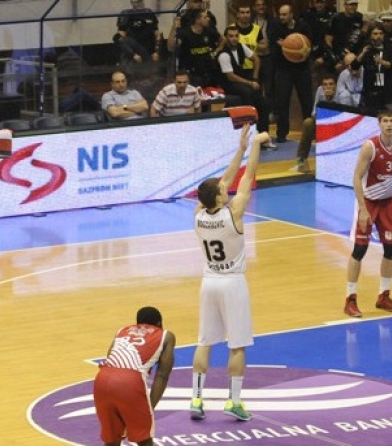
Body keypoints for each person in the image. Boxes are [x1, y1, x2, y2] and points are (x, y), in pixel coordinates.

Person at [190, 125, 268, 422]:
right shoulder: (233, 213)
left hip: (208, 281)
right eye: (223, 189)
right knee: (237, 345)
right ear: (220, 199)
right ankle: (233, 401)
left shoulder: (198, 214)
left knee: (204, 341)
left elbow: (223, 181)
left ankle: (196, 399)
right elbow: (247, 177)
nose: (227, 187)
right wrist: (255, 145)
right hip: (233, 283)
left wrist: (239, 148)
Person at [344, 110, 392, 318]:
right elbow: (357, 178)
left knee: (391, 249)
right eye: (385, 121)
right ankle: (350, 299)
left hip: (388, 202)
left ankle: (383, 296)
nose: (389, 124)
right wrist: (363, 209)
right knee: (360, 249)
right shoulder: (370, 147)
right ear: (379, 124)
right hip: (368, 201)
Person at [93, 306, 176, 446]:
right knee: (144, 440)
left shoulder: (122, 331)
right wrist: (150, 407)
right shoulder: (166, 335)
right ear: (159, 323)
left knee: (111, 440)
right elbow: (162, 375)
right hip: (129, 383)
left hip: (102, 379)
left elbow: (111, 359)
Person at [268, 4, 313, 143]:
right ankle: (282, 133)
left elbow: (308, 47)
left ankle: (310, 132)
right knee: (282, 101)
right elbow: (274, 46)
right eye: (280, 14)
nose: (281, 17)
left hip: (302, 68)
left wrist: (289, 45)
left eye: (284, 14)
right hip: (284, 69)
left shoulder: (304, 27)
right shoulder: (275, 27)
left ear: (291, 14)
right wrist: (289, 46)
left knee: (306, 101)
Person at [292, 74, 352, 173]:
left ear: (336, 85)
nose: (328, 87)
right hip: (324, 123)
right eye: (325, 84)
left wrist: (329, 101)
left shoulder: (344, 95)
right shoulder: (320, 90)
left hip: (342, 128)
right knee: (308, 123)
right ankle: (301, 161)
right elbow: (314, 113)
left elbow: (345, 119)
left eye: (331, 84)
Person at [175, 9, 223, 88]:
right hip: (193, 75)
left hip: (209, 72)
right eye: (205, 17)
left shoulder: (209, 31)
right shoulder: (185, 33)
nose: (208, 19)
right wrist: (174, 28)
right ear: (197, 20)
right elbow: (172, 46)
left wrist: (216, 52)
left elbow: (223, 40)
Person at [114, 0, 162, 64]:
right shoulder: (126, 14)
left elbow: (158, 35)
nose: (139, 4)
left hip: (148, 50)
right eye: (137, 2)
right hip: (133, 50)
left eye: (140, 1)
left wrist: (157, 52)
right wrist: (133, 54)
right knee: (127, 40)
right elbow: (118, 38)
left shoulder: (149, 13)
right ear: (132, 2)